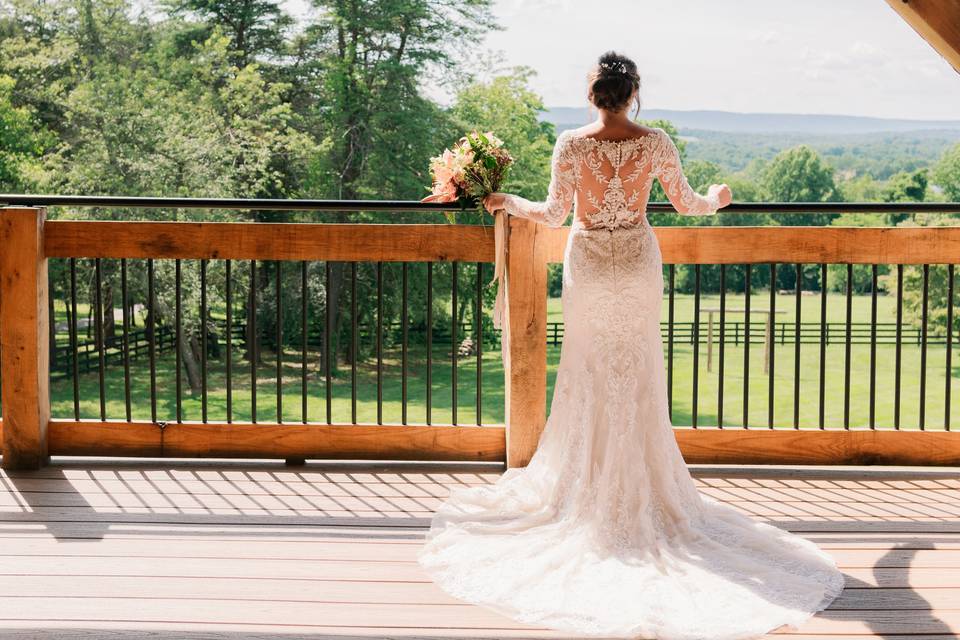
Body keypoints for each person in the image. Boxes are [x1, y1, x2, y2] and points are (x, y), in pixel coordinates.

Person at [417, 51, 844, 640]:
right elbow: (691, 205)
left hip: (589, 263)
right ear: (633, 94)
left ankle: (584, 492)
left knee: (590, 373)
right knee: (636, 374)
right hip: (637, 264)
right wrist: (720, 195)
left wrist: (504, 202)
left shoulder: (571, 144)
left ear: (592, 95)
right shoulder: (657, 142)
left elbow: (554, 213)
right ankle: (640, 487)